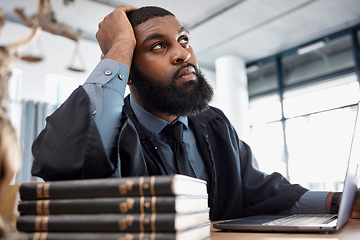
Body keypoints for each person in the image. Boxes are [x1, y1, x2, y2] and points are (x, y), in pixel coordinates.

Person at [30, 5, 360, 221]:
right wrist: (118, 49)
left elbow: (261, 193)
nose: (182, 54)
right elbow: (67, 164)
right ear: (128, 70)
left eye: (184, 39)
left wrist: (338, 201)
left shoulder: (214, 123)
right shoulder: (111, 128)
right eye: (158, 46)